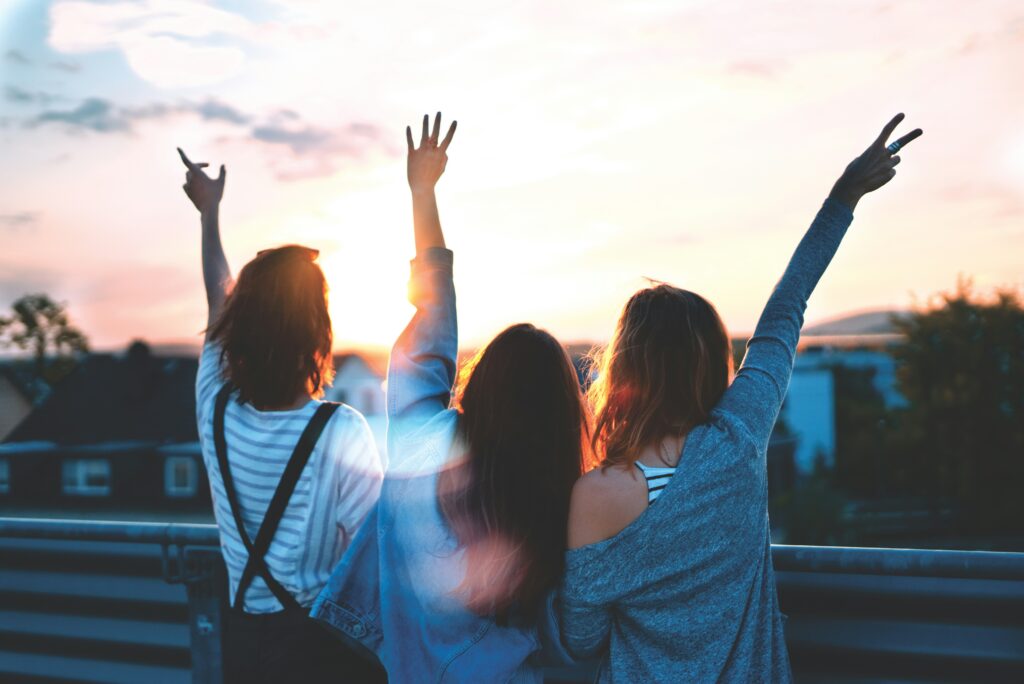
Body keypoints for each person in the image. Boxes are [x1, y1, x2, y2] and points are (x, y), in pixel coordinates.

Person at [561, 114, 923, 682]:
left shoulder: (595, 494)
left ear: (624, 366)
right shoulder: (738, 437)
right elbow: (786, 310)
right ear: (709, 362)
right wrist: (843, 197)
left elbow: (581, 643)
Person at [313, 113, 592, 683]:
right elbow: (573, 637)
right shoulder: (557, 494)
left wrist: (422, 193)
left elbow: (432, 326)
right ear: (560, 412)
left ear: (482, 381)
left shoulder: (423, 443)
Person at [178, 148, 386, 683]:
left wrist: (208, 215)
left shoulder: (214, 407)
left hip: (240, 646)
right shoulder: (341, 431)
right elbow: (373, 558)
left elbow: (217, 303)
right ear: (317, 334)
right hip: (319, 653)